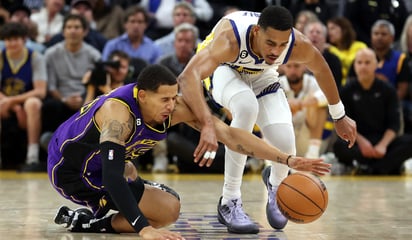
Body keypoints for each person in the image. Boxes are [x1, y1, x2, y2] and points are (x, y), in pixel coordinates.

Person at [49, 64, 331, 239]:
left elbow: (232, 137)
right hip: (73, 172)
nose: (171, 106)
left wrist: (287, 159)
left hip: (110, 165)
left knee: (168, 207)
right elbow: (111, 176)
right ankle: (92, 218)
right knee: (152, 215)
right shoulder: (117, 115)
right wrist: (144, 229)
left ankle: (90, 223)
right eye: (165, 99)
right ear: (142, 96)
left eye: (174, 97)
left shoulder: (171, 106)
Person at [177, 6, 357, 233]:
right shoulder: (229, 39)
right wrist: (207, 124)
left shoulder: (296, 43)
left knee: (284, 141)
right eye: (270, 43)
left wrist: (339, 114)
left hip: (262, 75)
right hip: (224, 69)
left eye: (282, 45)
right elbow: (186, 77)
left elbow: (321, 68)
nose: (276, 51)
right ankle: (229, 201)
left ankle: (277, 184)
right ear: (255, 33)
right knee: (246, 106)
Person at [333, 48, 412, 175]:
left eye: (367, 63)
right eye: (359, 63)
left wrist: (382, 145)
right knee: (339, 146)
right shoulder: (346, 91)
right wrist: (362, 143)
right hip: (357, 141)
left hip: (383, 141)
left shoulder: (388, 90)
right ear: (354, 65)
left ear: (376, 65)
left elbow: (394, 124)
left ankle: (366, 167)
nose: (363, 67)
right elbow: (343, 124)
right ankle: (384, 167)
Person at [0, 22, 47, 171]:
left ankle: (32, 157)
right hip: (5, 103)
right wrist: (12, 105)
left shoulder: (35, 57)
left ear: (24, 39)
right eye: (8, 39)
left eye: (16, 39)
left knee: (33, 103)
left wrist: (13, 101)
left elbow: (40, 91)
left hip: (26, 102)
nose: (12, 43)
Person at [278, 62, 328, 158]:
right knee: (270, 112)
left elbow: (326, 96)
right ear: (284, 67)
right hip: (284, 138)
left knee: (320, 106)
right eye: (289, 66)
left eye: (296, 66)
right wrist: (288, 107)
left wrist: (301, 104)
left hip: (307, 138)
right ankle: (269, 162)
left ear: (304, 67)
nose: (293, 71)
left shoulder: (312, 82)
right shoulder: (277, 83)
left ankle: (313, 155)